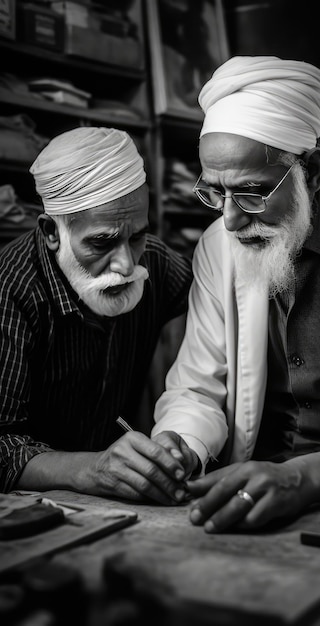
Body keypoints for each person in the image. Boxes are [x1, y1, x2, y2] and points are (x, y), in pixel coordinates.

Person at [152, 55, 320, 532]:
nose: (230, 219)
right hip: (246, 499)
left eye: (252, 192)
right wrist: (180, 444)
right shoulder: (219, 244)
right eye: (215, 193)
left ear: (311, 172)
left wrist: (300, 478)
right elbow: (197, 386)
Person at [0, 126, 197, 505]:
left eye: (137, 236)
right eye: (101, 242)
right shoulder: (11, 290)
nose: (125, 264)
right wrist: (93, 469)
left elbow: (221, 311)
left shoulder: (156, 263)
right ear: (51, 232)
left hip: (119, 497)